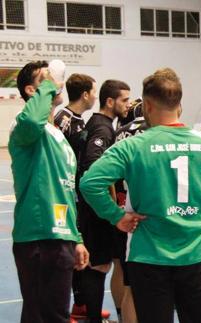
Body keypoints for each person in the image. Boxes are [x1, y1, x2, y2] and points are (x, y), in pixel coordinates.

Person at [80, 68, 201, 323]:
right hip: (195, 255)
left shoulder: (132, 146)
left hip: (148, 255)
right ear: (179, 104)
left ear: (146, 105)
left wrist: (116, 217)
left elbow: (90, 182)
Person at [10, 61, 89, 323]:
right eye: (44, 79)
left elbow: (64, 190)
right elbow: (32, 119)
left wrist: (75, 237)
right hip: (39, 237)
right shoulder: (24, 127)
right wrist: (48, 85)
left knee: (54, 315)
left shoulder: (55, 133)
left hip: (59, 236)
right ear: (32, 90)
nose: (55, 81)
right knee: (42, 317)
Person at [53, 73, 109, 321]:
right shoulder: (63, 119)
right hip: (63, 195)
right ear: (85, 94)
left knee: (79, 248)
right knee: (66, 249)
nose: (95, 96)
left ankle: (80, 303)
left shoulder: (79, 120)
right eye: (94, 91)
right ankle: (64, 308)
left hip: (75, 194)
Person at [77, 79, 130, 323]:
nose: (128, 105)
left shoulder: (97, 123)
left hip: (90, 209)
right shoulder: (103, 128)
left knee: (97, 265)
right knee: (99, 267)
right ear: (110, 102)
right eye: (124, 100)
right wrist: (110, 202)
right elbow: (92, 166)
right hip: (96, 211)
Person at [111, 98, 148, 323]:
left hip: (125, 207)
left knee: (127, 277)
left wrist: (114, 209)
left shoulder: (121, 132)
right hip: (151, 211)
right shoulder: (155, 131)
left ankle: (121, 316)